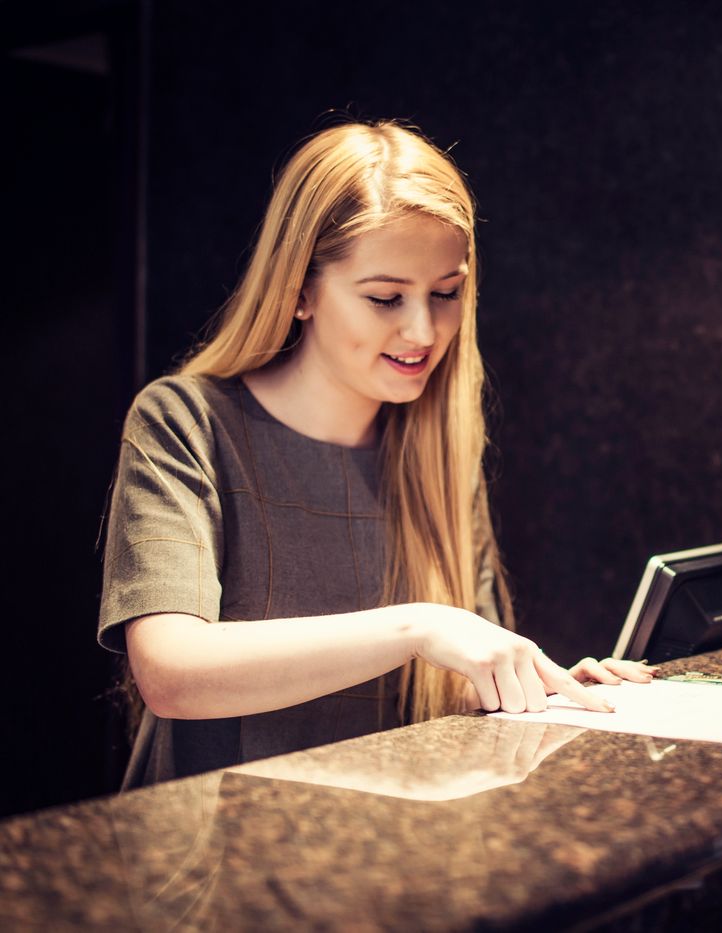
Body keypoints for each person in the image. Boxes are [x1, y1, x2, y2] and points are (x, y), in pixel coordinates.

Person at [99, 120, 653, 790]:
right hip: (217, 868)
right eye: (385, 297)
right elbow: (171, 673)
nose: (423, 330)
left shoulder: (439, 456)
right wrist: (418, 625)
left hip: (385, 864)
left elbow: (451, 691)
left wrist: (540, 685)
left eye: (446, 293)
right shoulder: (185, 422)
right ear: (299, 289)